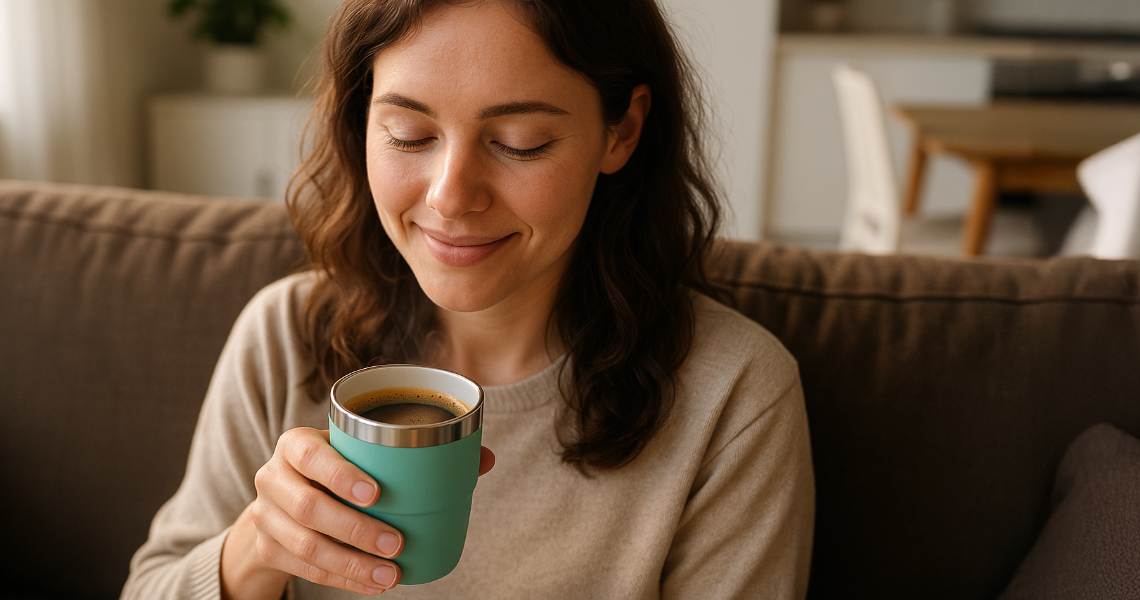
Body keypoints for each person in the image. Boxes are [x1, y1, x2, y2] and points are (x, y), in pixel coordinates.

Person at [122, 0, 814, 598]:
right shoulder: (285, 335)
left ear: (622, 131)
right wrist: (255, 548)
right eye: (409, 134)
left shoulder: (735, 395)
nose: (451, 195)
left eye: (520, 142)